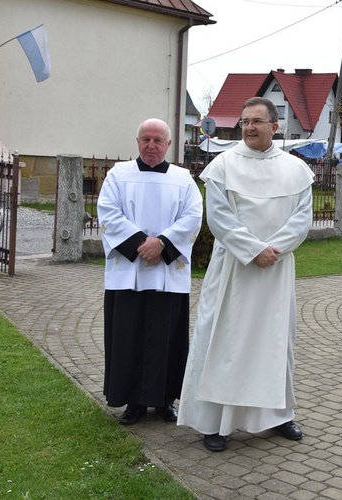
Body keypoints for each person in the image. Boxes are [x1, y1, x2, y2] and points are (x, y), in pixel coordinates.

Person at [177, 97, 314, 452]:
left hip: (276, 271)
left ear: (275, 125)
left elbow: (302, 219)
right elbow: (219, 218)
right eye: (244, 122)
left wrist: (274, 250)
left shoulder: (296, 169)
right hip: (234, 271)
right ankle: (214, 424)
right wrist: (254, 250)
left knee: (275, 344)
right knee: (225, 341)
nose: (249, 127)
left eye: (256, 121)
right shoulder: (223, 165)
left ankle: (279, 415)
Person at [97, 118, 203, 425]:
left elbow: (193, 217)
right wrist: (141, 244)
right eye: (146, 139)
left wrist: (163, 244)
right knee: (126, 337)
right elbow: (108, 212)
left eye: (158, 140)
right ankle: (133, 402)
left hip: (167, 274)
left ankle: (164, 400)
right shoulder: (119, 174)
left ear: (170, 144)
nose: (151, 145)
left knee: (166, 338)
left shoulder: (183, 179)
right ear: (137, 141)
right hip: (128, 272)